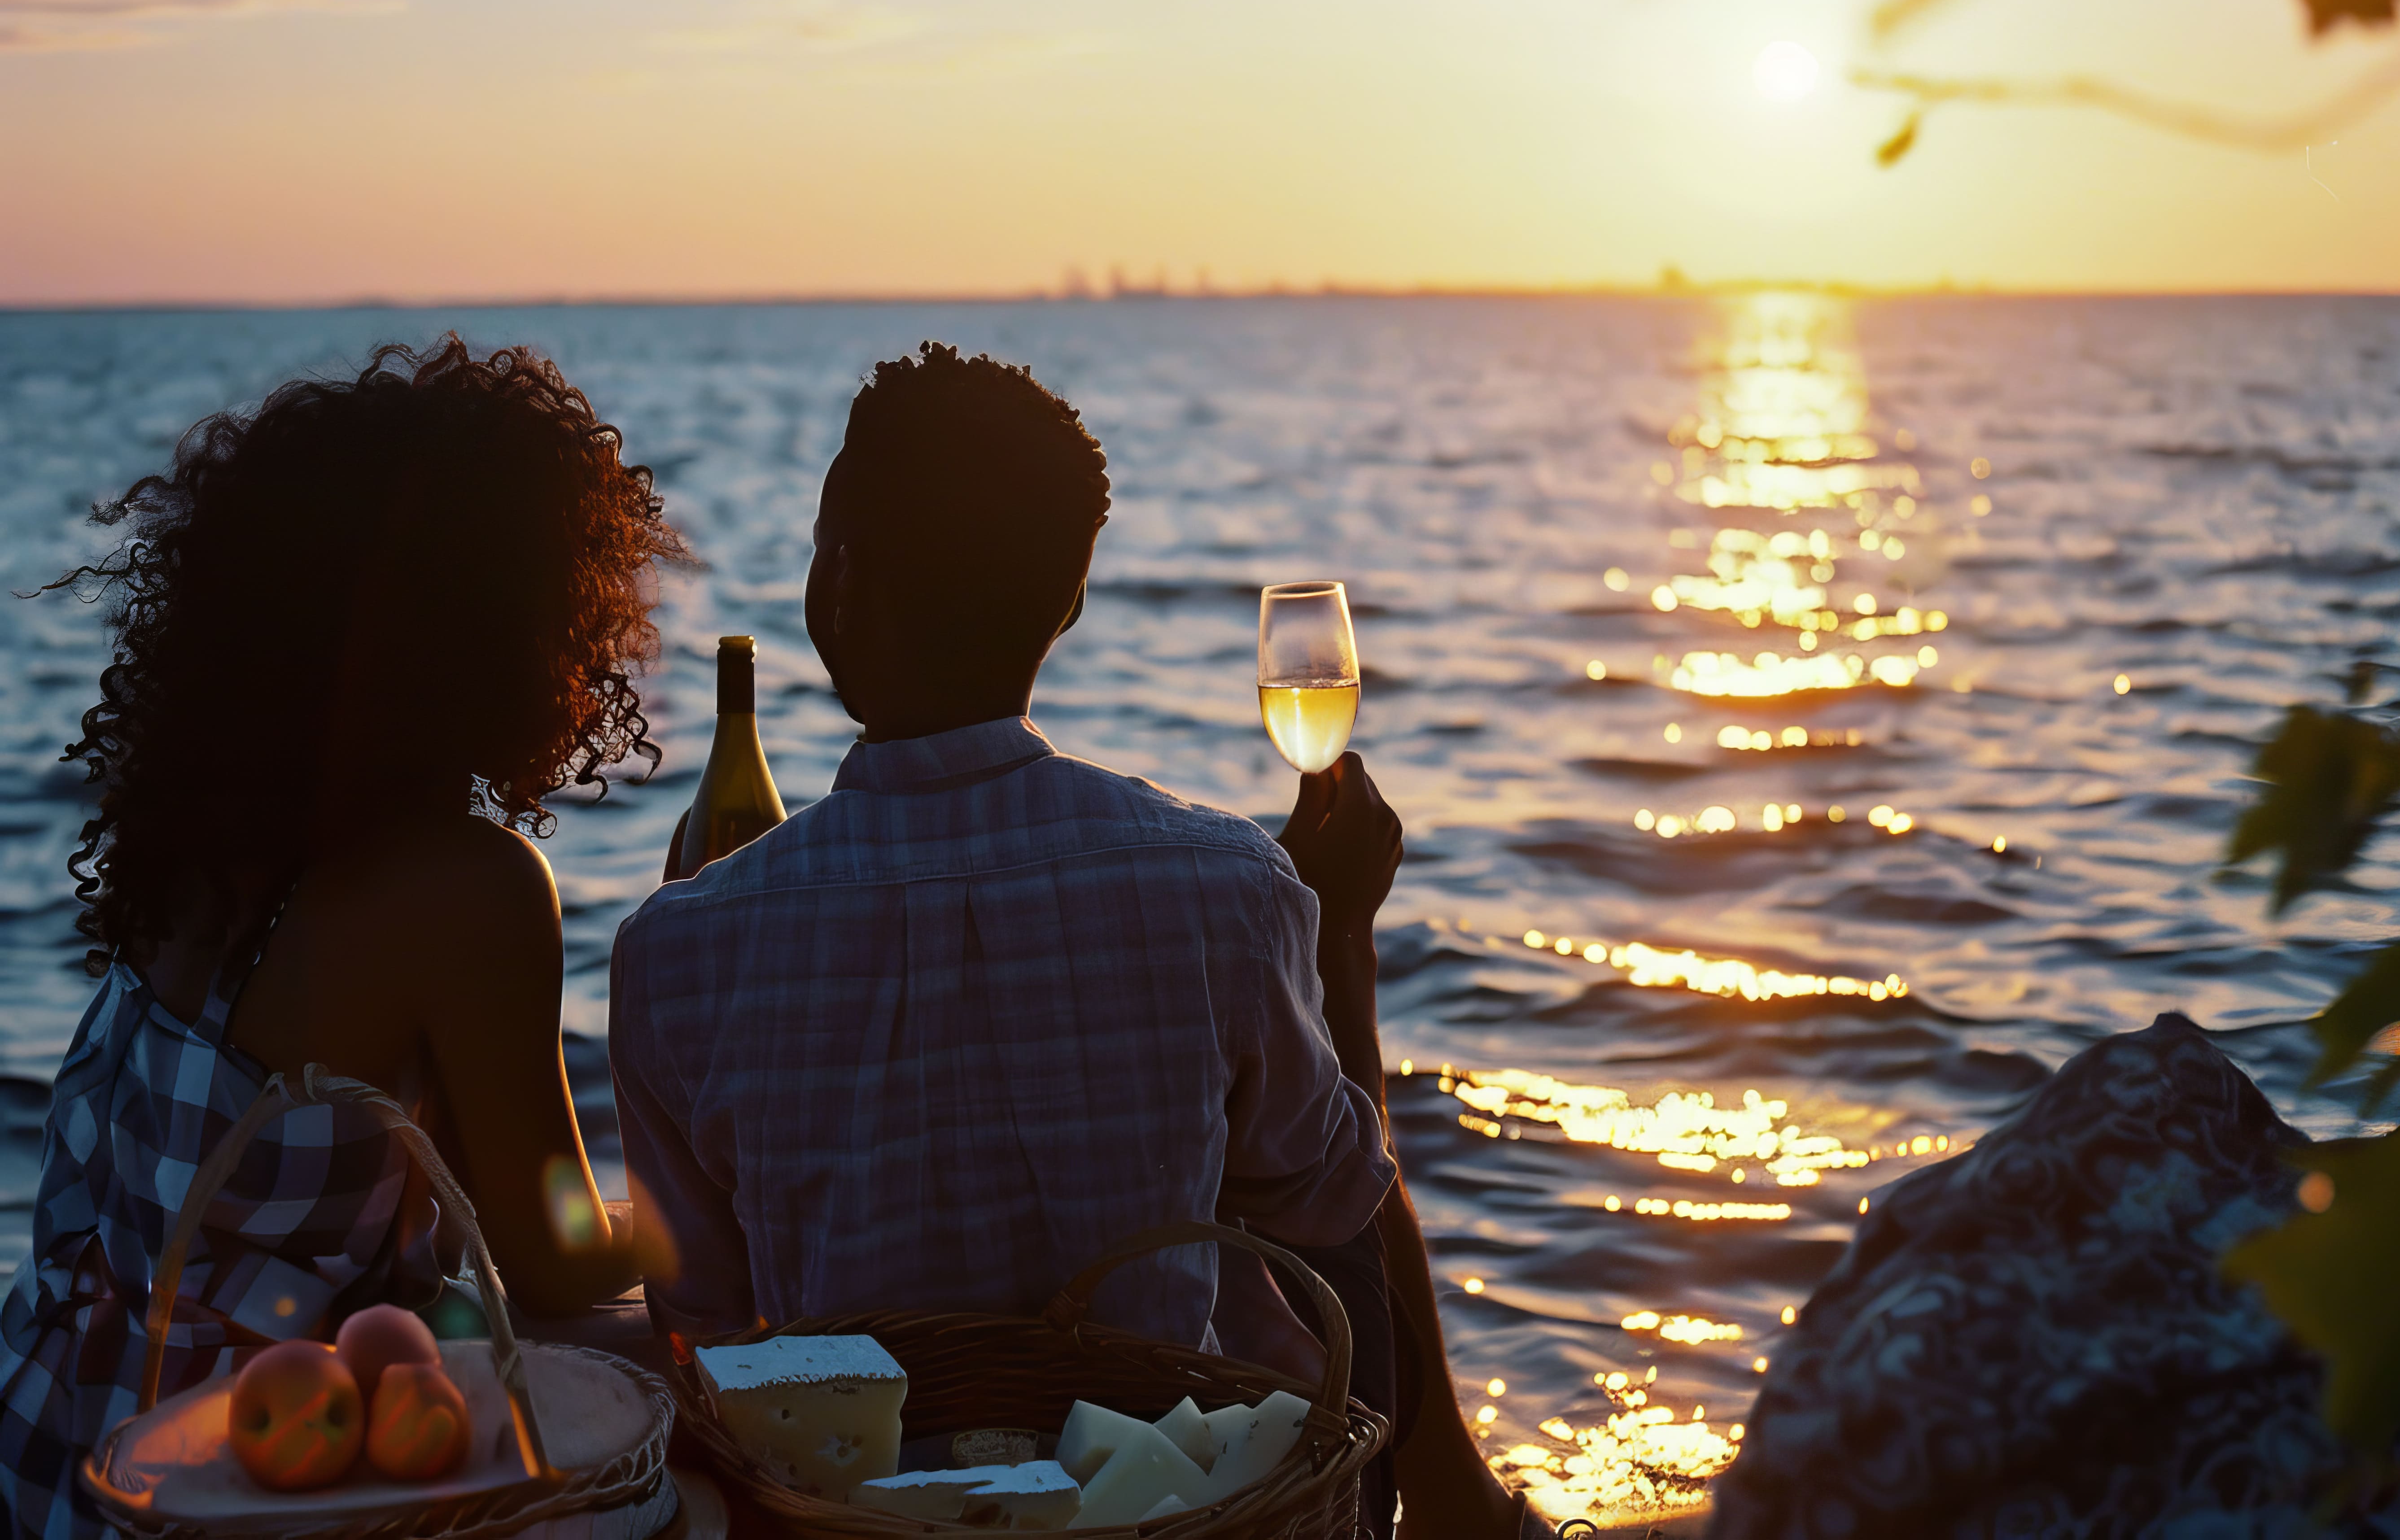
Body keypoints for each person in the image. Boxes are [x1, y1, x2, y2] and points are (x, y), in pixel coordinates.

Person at [609, 343, 1540, 1539]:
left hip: (856, 1516)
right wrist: (1338, 943)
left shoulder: (677, 950)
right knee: (1326, 1220)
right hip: (1163, 1502)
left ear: (836, 584)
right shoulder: (1229, 883)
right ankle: (1455, 1513)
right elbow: (1331, 1199)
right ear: (1072, 603)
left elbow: (706, 1332)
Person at [0, 338, 682, 1540]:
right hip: (248, 1495)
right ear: (512, 620)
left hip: (60, 1440)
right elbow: (557, 1257)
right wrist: (710, 1202)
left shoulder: (206, 841)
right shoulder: (465, 889)